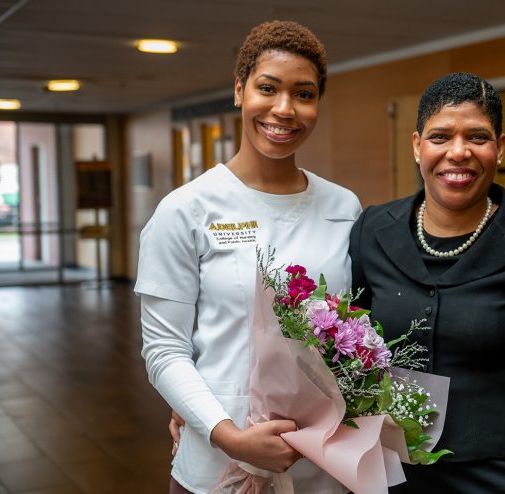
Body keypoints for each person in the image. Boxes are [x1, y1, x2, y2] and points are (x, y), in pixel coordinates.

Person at [135, 20, 361, 494]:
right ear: (239, 91)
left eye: (304, 93)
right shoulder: (187, 210)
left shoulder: (344, 208)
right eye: (267, 88)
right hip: (218, 462)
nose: (285, 109)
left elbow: (353, 332)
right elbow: (164, 351)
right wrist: (229, 436)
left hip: (324, 460)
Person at [349, 73, 505, 493]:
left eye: (477, 137)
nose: (458, 152)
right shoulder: (372, 230)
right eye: (441, 136)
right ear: (417, 146)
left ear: (499, 147)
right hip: (395, 475)